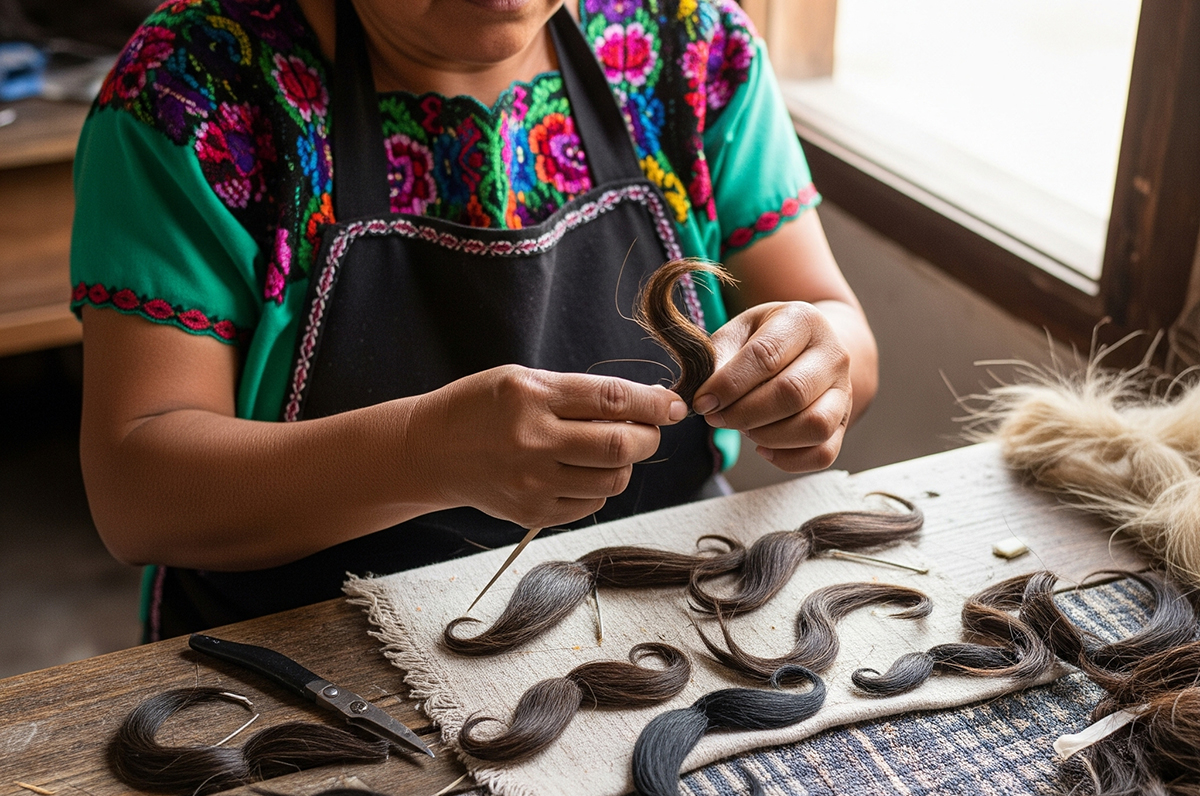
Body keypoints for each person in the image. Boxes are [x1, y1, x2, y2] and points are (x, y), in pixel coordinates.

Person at [71, 0, 878, 639]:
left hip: (658, 608)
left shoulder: (689, 42)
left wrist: (814, 360)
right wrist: (421, 454)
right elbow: (138, 494)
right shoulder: (196, 86)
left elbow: (838, 324)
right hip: (297, 655)